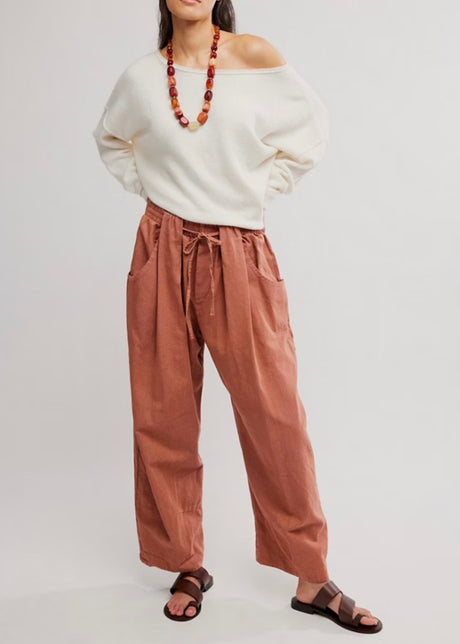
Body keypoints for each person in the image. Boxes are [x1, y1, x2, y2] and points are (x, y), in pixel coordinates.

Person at [92, 0, 382, 634]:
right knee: (163, 413)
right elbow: (110, 139)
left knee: (276, 416)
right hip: (162, 246)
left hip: (238, 249)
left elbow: (309, 132)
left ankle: (311, 576)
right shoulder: (143, 77)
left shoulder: (254, 56)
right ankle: (185, 563)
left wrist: (254, 193)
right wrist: (156, 191)